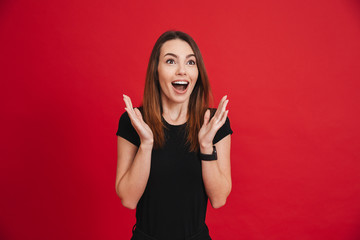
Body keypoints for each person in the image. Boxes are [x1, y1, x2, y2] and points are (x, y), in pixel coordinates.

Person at [115, 30, 233, 240]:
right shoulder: (134, 121)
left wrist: (206, 147)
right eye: (171, 61)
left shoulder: (214, 123)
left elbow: (219, 199)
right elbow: (128, 200)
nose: (182, 71)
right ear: (156, 70)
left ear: (198, 72)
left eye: (190, 62)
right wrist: (146, 144)